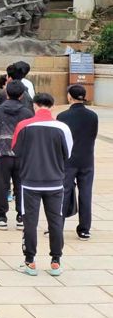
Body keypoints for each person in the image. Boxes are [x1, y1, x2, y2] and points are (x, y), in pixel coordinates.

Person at [13, 94, 73, 276]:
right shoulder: (62, 127)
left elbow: (15, 150)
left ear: (34, 106)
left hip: (30, 182)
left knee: (30, 222)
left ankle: (30, 261)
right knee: (55, 221)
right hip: (55, 182)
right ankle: (56, 261)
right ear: (52, 106)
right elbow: (68, 153)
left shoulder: (23, 126)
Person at [0, 81, 33, 230]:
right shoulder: (27, 113)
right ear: (22, 95)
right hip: (21, 155)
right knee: (21, 186)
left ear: (6, 93)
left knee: (1, 185)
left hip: (2, 153)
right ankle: (21, 217)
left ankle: (1, 217)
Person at [57, 85, 99, 240]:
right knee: (86, 194)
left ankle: (57, 226)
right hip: (87, 160)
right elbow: (93, 135)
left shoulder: (63, 116)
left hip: (68, 160)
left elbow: (60, 139)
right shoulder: (93, 116)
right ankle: (84, 229)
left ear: (69, 96)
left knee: (63, 193)